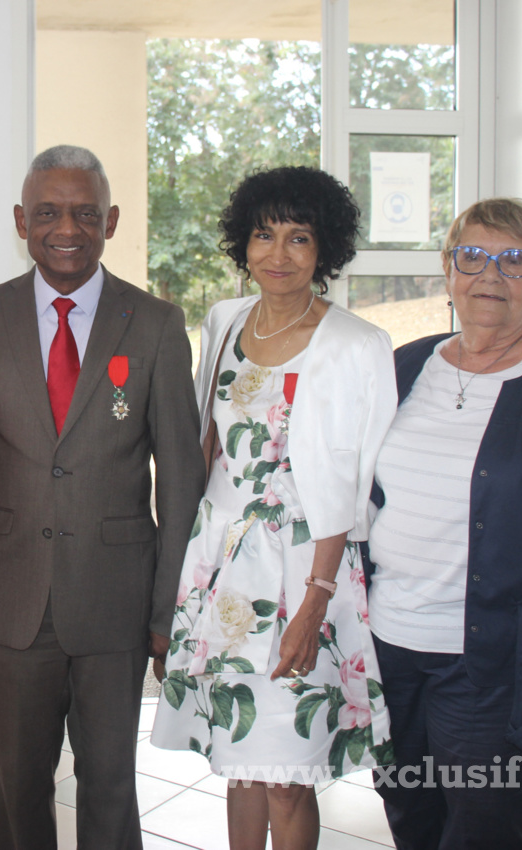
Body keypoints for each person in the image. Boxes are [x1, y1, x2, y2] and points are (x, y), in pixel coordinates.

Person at [0, 145, 203, 849]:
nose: (68, 227)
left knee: (112, 781)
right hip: (10, 596)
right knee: (20, 785)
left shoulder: (154, 324)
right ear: (22, 220)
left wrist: (167, 605)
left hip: (116, 598)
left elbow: (181, 480)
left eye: (86, 213)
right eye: (50, 212)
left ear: (110, 220)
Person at [150, 166, 397, 850]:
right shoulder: (226, 320)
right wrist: (178, 587)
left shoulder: (356, 344)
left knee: (287, 770)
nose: (277, 255)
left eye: (299, 238)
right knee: (239, 759)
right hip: (220, 564)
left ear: (326, 250)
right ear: (243, 242)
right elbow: (207, 448)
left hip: (301, 569)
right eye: (264, 235)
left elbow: (356, 480)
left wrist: (316, 600)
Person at [366, 197, 522, 849]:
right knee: (409, 810)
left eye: (513, 260)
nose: (490, 276)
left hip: (500, 655)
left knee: (484, 824)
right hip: (390, 643)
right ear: (448, 270)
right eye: (471, 257)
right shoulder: (404, 367)